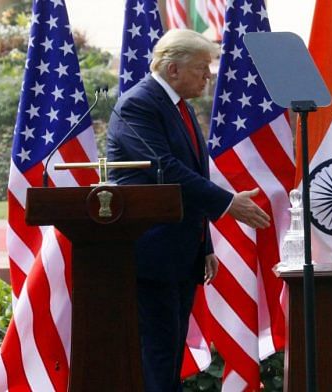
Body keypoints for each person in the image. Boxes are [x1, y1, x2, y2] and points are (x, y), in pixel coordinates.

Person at [106, 29, 270, 391]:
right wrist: (228, 203)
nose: (208, 76)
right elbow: (162, 168)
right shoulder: (139, 104)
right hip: (150, 250)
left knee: (170, 353)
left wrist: (205, 245)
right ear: (173, 68)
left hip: (180, 249)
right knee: (160, 354)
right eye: (201, 68)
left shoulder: (181, 108)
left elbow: (193, 176)